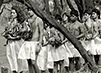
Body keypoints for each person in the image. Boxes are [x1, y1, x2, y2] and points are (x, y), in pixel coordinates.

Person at [1, 6, 28, 73]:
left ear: (17, 14)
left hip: (17, 42)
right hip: (10, 42)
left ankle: (20, 70)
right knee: (10, 56)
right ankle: (13, 70)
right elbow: (6, 31)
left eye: (13, 13)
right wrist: (6, 35)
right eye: (11, 13)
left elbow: (23, 33)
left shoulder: (21, 23)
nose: (12, 14)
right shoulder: (10, 22)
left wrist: (13, 37)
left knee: (18, 57)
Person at [18, 9, 43, 73]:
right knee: (29, 62)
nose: (29, 12)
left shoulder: (39, 20)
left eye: (30, 10)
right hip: (27, 42)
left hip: (35, 43)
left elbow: (41, 32)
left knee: (33, 62)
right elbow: (23, 31)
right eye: (28, 10)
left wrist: (39, 44)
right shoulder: (27, 21)